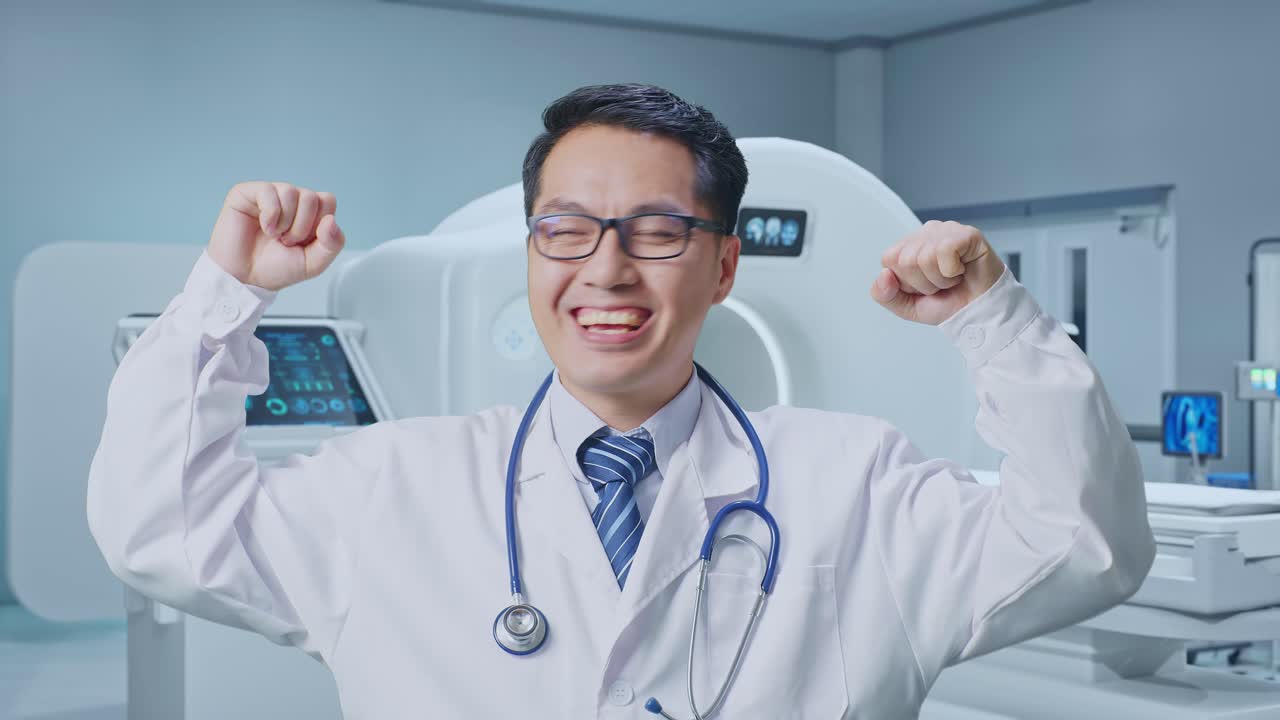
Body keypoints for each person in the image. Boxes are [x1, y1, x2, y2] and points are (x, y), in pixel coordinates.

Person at [88, 83, 1154, 718]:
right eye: (565, 229)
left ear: (723, 266)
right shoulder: (393, 484)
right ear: (530, 250)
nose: (604, 270)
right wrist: (227, 294)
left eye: (655, 231)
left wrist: (994, 323)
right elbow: (159, 527)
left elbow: (1081, 546)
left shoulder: (857, 482)